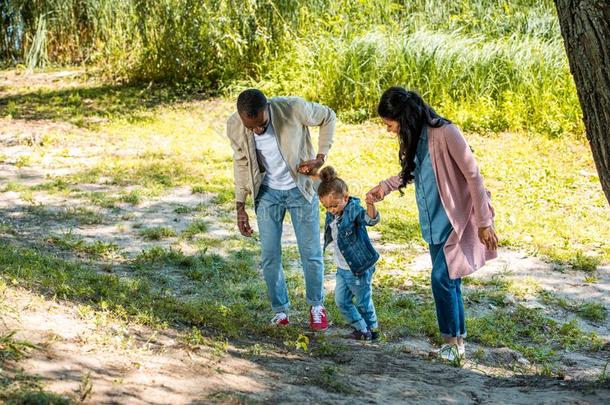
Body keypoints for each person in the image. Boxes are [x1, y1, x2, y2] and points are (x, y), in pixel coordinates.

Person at [367, 87, 498, 360]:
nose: (389, 130)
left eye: (389, 124)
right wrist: (385, 188)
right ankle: (459, 345)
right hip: (433, 221)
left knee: (441, 278)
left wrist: (484, 222)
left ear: (404, 117)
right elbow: (411, 171)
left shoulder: (447, 132)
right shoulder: (416, 137)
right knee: (451, 281)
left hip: (457, 220)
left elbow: (474, 176)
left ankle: (450, 343)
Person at [226, 89, 336, 330]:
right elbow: (241, 163)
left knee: (311, 252)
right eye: (250, 126)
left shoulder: (292, 107)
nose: (256, 130)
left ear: (267, 108)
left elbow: (328, 116)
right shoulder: (235, 125)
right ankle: (280, 311)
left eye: (261, 125)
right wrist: (240, 205)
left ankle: (316, 306)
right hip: (267, 194)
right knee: (269, 255)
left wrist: (320, 157)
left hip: (300, 189)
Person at [317, 166, 381, 340]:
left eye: (334, 205)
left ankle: (372, 330)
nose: (331, 210)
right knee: (341, 301)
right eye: (327, 207)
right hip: (342, 269)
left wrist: (370, 205)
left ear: (345, 197)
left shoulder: (353, 210)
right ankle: (361, 328)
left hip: (359, 268)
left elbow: (370, 220)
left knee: (362, 302)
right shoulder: (332, 213)